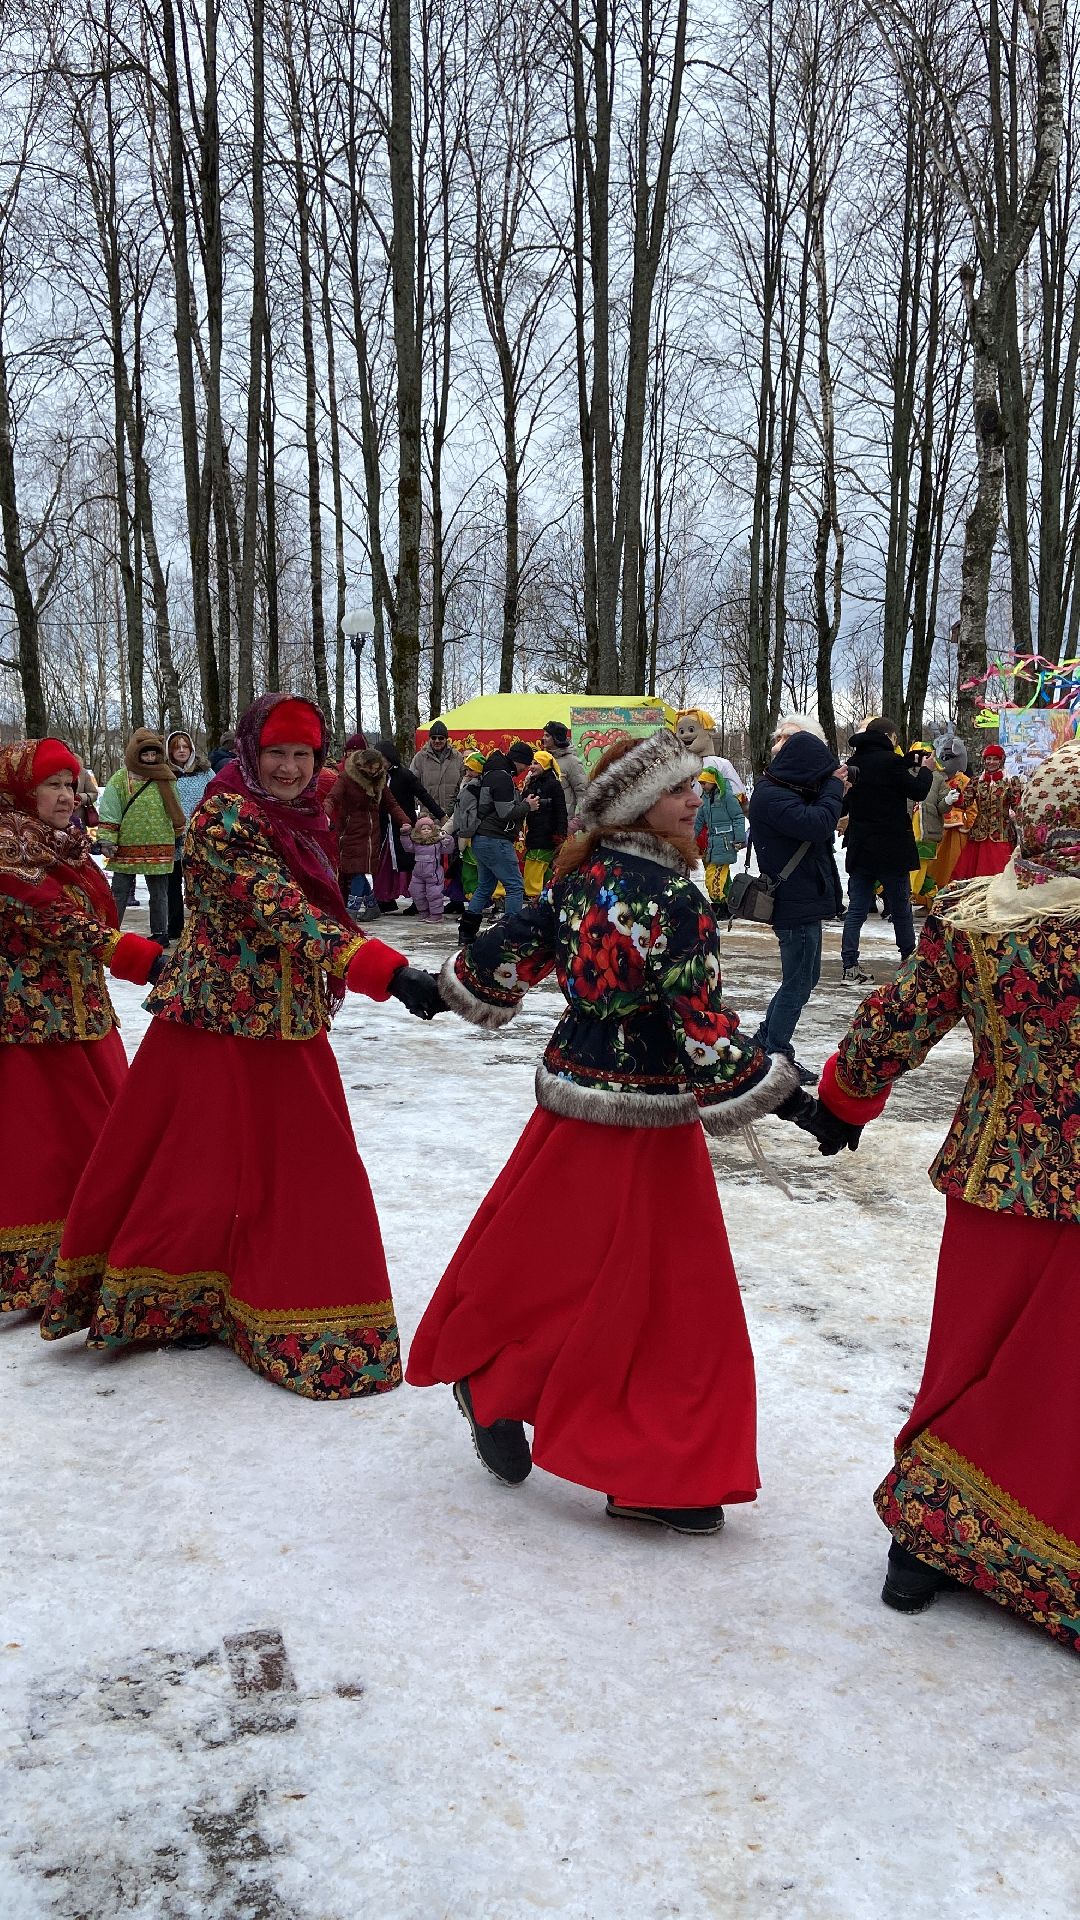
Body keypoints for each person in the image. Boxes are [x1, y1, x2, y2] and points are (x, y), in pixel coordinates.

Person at [407, 731, 808, 1534]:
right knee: (662, 1294)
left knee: (555, 1267)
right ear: (634, 803)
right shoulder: (678, 902)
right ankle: (651, 1462)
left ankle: (497, 1384)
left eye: (696, 786)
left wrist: (440, 984)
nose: (696, 799)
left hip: (572, 1106)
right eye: (678, 790)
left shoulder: (578, 877)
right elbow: (703, 1032)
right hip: (647, 1118)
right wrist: (797, 1101)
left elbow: (498, 959)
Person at [40, 694, 443, 1397]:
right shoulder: (223, 816)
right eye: (276, 753)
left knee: (298, 1169)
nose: (289, 768)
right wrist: (384, 970)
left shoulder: (302, 817)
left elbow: (313, 907)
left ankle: (272, 1301)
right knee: (199, 1170)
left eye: (302, 755)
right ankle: (183, 1298)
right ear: (251, 755)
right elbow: (283, 909)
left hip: (285, 1020)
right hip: (213, 1022)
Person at [811, 742, 1080, 1654]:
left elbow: (902, 1017)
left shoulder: (976, 919)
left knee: (966, 1358)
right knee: (1060, 1383)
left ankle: (922, 1543)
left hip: (996, 1176)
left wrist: (846, 1099)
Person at [0, 739, 161, 1313]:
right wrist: (146, 959)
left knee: (104, 1143)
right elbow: (59, 920)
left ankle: (94, 1257)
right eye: (53, 785)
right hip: (31, 1028)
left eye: (71, 785)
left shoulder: (66, 847)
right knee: (46, 1151)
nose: (68, 797)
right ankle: (36, 1270)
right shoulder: (8, 850)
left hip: (82, 1015)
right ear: (22, 791)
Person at [746, 729, 846, 1077]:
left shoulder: (780, 791)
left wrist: (838, 787)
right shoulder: (772, 798)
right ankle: (776, 1051)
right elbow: (819, 823)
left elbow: (820, 813)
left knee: (803, 978)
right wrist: (833, 786)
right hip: (793, 903)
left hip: (801, 900)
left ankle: (765, 1039)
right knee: (799, 981)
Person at [839, 717, 933, 985]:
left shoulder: (854, 763)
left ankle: (850, 964)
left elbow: (852, 797)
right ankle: (908, 961)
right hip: (892, 847)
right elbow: (917, 790)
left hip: (861, 846)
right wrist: (925, 769)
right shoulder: (891, 763)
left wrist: (907, 761)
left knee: (857, 909)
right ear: (890, 737)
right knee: (901, 907)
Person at [97, 730, 185, 946]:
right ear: (135, 753)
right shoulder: (121, 778)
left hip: (161, 842)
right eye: (145, 754)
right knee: (119, 890)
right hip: (127, 843)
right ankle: (111, 931)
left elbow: (175, 806)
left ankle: (160, 933)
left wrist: (179, 831)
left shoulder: (166, 776)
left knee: (159, 892)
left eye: (153, 754)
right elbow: (111, 807)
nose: (149, 759)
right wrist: (108, 838)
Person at [457, 743, 537, 937]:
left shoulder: (492, 770)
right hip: (495, 839)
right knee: (515, 886)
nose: (524, 769)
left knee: (485, 886)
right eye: (524, 765)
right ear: (518, 760)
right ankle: (512, 934)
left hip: (481, 838)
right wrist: (528, 805)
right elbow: (505, 812)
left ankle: (466, 933)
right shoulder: (501, 776)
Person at [328, 741, 408, 923]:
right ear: (361, 765)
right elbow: (332, 798)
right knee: (358, 870)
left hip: (372, 834)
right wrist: (324, 815)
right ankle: (370, 907)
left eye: (377, 769)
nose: (373, 772)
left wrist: (404, 821)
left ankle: (353, 910)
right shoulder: (347, 778)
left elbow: (392, 804)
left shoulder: (379, 781)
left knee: (360, 870)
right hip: (351, 831)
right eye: (370, 769)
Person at [372, 739, 444, 912]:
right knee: (384, 864)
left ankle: (417, 900)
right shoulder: (376, 777)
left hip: (403, 827)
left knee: (410, 863)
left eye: (382, 757)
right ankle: (385, 898)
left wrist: (440, 815)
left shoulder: (404, 775)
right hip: (383, 827)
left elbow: (423, 794)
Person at [165, 730, 213, 941]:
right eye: (177, 747)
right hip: (172, 838)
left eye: (185, 747)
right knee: (172, 884)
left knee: (200, 884)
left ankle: (203, 928)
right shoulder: (163, 775)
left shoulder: (205, 773)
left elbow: (216, 797)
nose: (182, 751)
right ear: (170, 751)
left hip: (199, 837)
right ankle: (174, 928)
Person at [950, 742, 1022, 880]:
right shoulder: (976, 781)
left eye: (995, 759)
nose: (991, 762)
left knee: (1001, 875)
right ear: (984, 761)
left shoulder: (1010, 781)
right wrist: (957, 796)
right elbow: (965, 803)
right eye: (988, 759)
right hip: (979, 834)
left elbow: (1017, 806)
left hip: (1002, 834)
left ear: (1002, 761)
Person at [694, 758, 747, 907]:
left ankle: (721, 904)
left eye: (704, 783)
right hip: (713, 844)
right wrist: (689, 838)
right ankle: (727, 904)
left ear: (713, 781)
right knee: (720, 875)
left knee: (715, 877)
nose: (702, 786)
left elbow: (738, 817)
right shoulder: (705, 800)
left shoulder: (727, 797)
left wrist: (739, 839)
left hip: (726, 843)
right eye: (700, 783)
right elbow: (699, 821)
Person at [907, 742, 953, 909]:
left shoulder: (938, 778)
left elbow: (942, 807)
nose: (922, 758)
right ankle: (935, 896)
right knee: (912, 869)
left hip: (927, 831)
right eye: (918, 754)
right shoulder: (905, 774)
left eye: (926, 755)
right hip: (904, 831)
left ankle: (906, 898)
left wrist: (948, 801)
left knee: (918, 868)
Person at [521, 750, 568, 899]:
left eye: (536, 763)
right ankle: (545, 897)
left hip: (547, 833)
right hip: (535, 832)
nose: (531, 767)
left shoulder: (553, 784)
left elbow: (561, 810)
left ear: (545, 765)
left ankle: (534, 896)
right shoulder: (533, 782)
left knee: (536, 865)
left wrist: (561, 833)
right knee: (543, 867)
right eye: (531, 763)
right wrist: (526, 785)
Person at [404, 814, 455, 920]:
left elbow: (448, 850)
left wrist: (448, 840)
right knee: (416, 892)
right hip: (418, 874)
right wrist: (404, 835)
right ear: (418, 831)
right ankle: (424, 912)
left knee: (434, 895)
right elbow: (407, 847)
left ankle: (436, 914)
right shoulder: (416, 843)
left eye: (428, 829)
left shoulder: (437, 843)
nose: (426, 831)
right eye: (423, 829)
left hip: (434, 874)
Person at [411, 720, 465, 820]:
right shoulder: (419, 758)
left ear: (446, 739)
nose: (437, 741)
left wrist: (452, 809)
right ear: (429, 738)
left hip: (452, 815)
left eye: (441, 738)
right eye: (433, 737)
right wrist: (420, 805)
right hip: (427, 816)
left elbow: (463, 785)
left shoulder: (457, 757)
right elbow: (412, 785)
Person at [453, 749, 486, 903]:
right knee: (468, 872)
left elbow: (472, 813)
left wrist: (466, 832)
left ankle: (476, 904)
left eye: (470, 769)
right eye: (466, 769)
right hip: (465, 832)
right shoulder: (466, 784)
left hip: (471, 834)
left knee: (473, 872)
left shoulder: (475, 787)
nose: (467, 772)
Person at [540, 720, 587, 819]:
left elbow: (582, 792)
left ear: (556, 738)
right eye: (543, 735)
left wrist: (580, 821)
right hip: (542, 823)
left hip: (563, 822)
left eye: (547, 735)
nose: (543, 738)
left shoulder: (572, 762)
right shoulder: (543, 759)